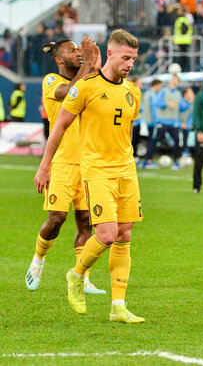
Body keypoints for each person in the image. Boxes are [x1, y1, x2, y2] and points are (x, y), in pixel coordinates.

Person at [34, 29, 144, 323]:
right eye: (125, 57)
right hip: (96, 170)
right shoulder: (85, 87)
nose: (130, 63)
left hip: (126, 171)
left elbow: (127, 133)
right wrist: (45, 165)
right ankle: (76, 273)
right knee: (106, 235)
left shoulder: (133, 91)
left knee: (124, 235)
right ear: (109, 54)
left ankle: (118, 306)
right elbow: (58, 127)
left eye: (133, 58)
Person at [25, 37, 105, 295]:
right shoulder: (51, 81)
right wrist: (89, 65)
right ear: (60, 58)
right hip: (62, 162)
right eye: (73, 51)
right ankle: (38, 260)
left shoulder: (86, 79)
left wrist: (97, 65)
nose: (78, 53)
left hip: (88, 163)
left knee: (85, 222)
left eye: (79, 50)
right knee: (57, 218)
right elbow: (71, 92)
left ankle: (82, 277)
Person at [152, 74, 188, 170]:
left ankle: (175, 162)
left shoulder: (178, 93)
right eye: (174, 79)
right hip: (162, 121)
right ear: (170, 81)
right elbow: (157, 103)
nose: (175, 81)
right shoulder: (163, 91)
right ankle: (148, 160)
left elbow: (181, 108)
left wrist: (189, 102)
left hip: (174, 123)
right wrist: (167, 104)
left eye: (177, 80)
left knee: (177, 141)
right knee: (154, 140)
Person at [141, 79, 163, 169]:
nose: (160, 88)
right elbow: (153, 108)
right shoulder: (152, 95)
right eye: (160, 86)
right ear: (156, 85)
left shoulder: (146, 93)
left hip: (147, 121)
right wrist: (157, 120)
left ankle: (148, 160)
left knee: (151, 140)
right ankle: (148, 161)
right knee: (152, 141)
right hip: (152, 122)